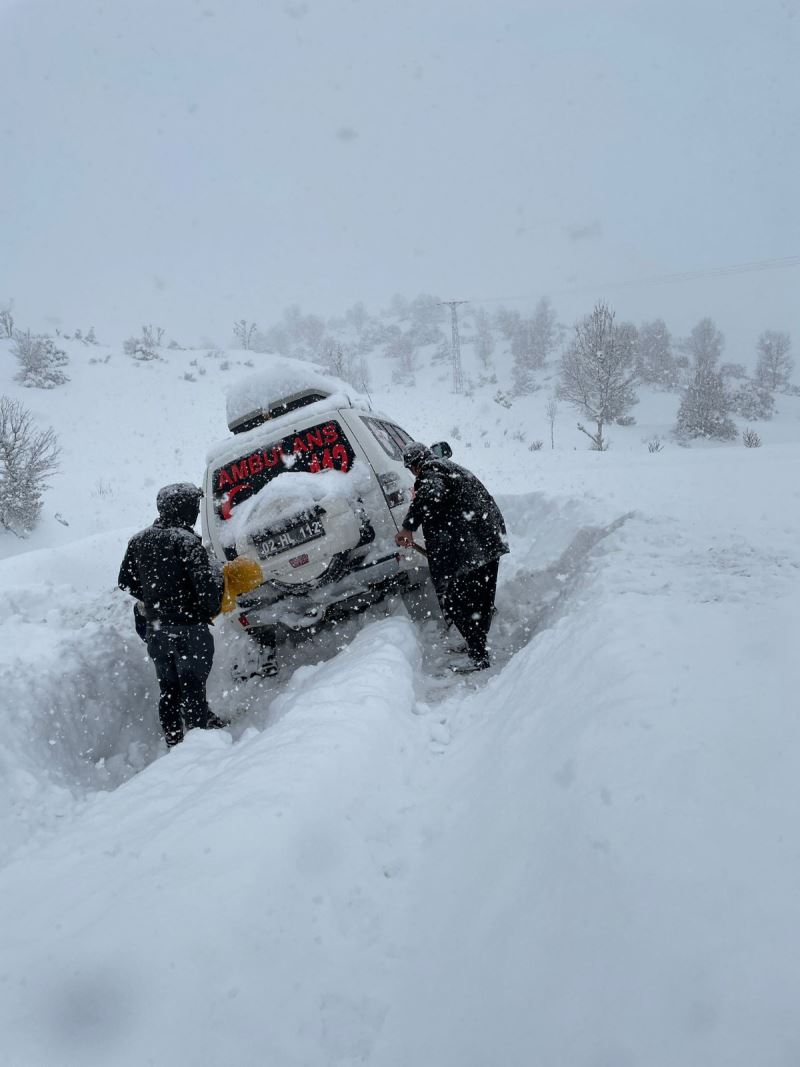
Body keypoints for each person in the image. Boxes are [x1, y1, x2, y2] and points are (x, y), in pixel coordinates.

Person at [118, 482, 227, 747]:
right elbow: (208, 593)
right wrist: (211, 602)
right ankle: (199, 746)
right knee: (193, 687)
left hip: (157, 629)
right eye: (194, 507)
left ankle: (174, 739)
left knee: (168, 688)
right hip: (189, 628)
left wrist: (153, 598)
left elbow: (125, 581)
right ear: (184, 509)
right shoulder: (187, 542)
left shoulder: (139, 540)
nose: (197, 513)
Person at [395, 442, 508, 672]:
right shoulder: (449, 468)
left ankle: (478, 656)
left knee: (456, 600)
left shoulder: (432, 471)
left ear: (415, 466)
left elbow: (431, 495)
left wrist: (408, 527)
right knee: (480, 599)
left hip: (472, 546)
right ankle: (477, 646)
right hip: (487, 541)